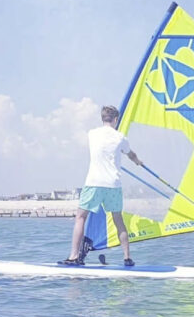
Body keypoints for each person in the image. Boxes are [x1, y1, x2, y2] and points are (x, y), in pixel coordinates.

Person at [61, 105, 142, 266]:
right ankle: (127, 258)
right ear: (116, 119)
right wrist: (138, 162)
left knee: (80, 217)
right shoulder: (121, 138)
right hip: (113, 184)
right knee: (118, 221)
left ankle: (73, 256)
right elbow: (131, 154)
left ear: (102, 118)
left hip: (94, 183)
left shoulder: (92, 134)